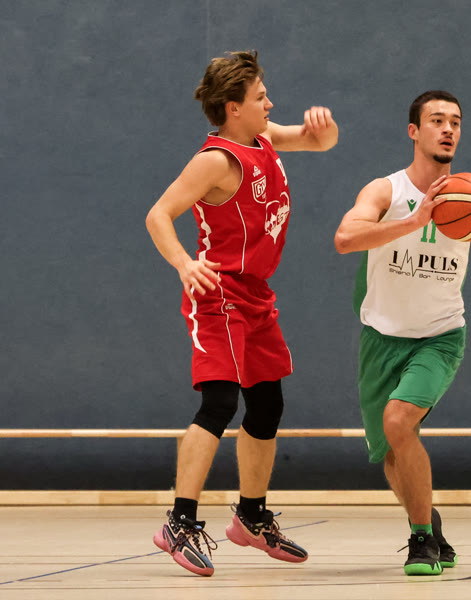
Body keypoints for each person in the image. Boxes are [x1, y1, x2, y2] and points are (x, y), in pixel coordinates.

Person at [333, 90, 471, 575]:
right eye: (436, 120)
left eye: (455, 121)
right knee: (392, 455)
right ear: (414, 131)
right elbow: (345, 239)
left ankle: (420, 541)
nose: (448, 128)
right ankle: (430, 523)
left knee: (398, 422)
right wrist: (413, 221)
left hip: (439, 336)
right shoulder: (386, 191)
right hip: (381, 337)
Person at [145, 50, 338, 577]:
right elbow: (159, 214)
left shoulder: (265, 137)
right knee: (219, 403)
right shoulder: (215, 160)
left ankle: (251, 517)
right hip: (219, 294)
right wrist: (184, 263)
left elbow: (317, 142)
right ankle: (179, 521)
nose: (269, 104)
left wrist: (325, 132)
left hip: (255, 295)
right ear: (234, 108)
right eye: (260, 97)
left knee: (268, 405)